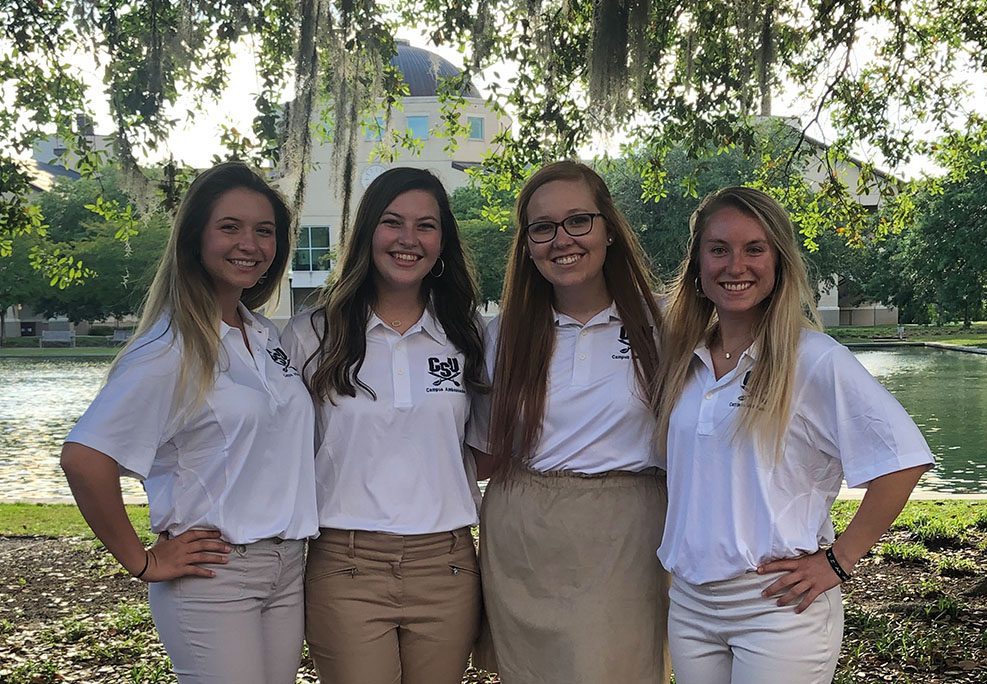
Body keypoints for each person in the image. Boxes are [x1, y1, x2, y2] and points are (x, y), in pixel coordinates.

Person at [654, 186, 934, 684]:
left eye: (754, 249)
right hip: (691, 602)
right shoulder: (684, 360)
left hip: (777, 607)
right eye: (718, 249)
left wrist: (840, 560)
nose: (735, 265)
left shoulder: (815, 360)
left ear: (779, 262)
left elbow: (903, 460)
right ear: (697, 264)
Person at [60, 162, 317, 684]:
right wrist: (143, 562)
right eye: (230, 227)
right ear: (195, 238)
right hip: (214, 574)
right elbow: (85, 458)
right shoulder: (170, 348)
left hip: (287, 566)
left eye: (264, 230)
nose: (250, 243)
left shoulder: (262, 335)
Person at [281, 167, 487, 684]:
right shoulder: (310, 335)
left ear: (443, 239)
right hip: (346, 563)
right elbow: (276, 449)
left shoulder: (467, 334)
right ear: (368, 230)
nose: (408, 240)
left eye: (426, 225)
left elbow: (489, 445)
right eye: (393, 222)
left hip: (448, 564)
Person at [467, 160, 670, 684]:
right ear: (527, 245)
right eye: (543, 227)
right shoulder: (503, 334)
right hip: (524, 537)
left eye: (578, 220)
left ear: (609, 230)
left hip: (625, 536)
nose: (562, 239)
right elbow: (486, 453)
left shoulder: (663, 327)